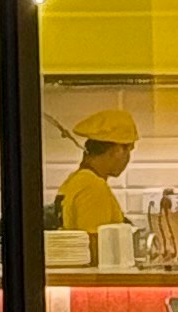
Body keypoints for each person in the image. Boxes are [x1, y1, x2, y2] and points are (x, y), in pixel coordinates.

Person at [55, 106, 137, 254]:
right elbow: (95, 248)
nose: (127, 159)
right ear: (117, 150)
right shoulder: (93, 187)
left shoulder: (76, 180)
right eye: (128, 150)